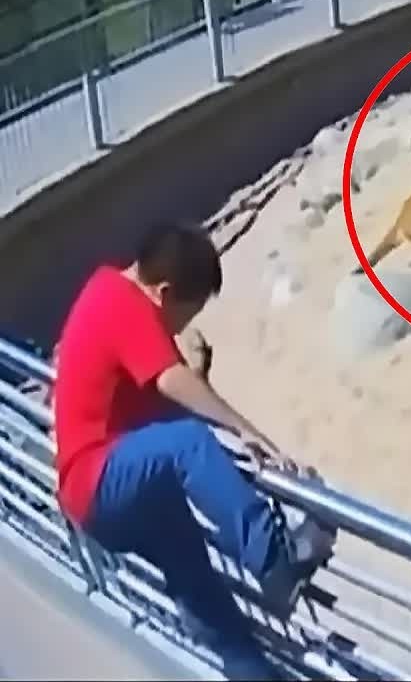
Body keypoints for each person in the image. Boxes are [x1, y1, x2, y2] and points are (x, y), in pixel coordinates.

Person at [52, 223, 336, 680]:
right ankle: (273, 559)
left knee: (202, 591)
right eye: (184, 316)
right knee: (187, 441)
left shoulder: (115, 295)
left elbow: (165, 393)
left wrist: (198, 379)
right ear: (163, 293)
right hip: (96, 480)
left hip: (126, 483)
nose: (179, 330)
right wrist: (247, 431)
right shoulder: (121, 303)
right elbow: (172, 384)